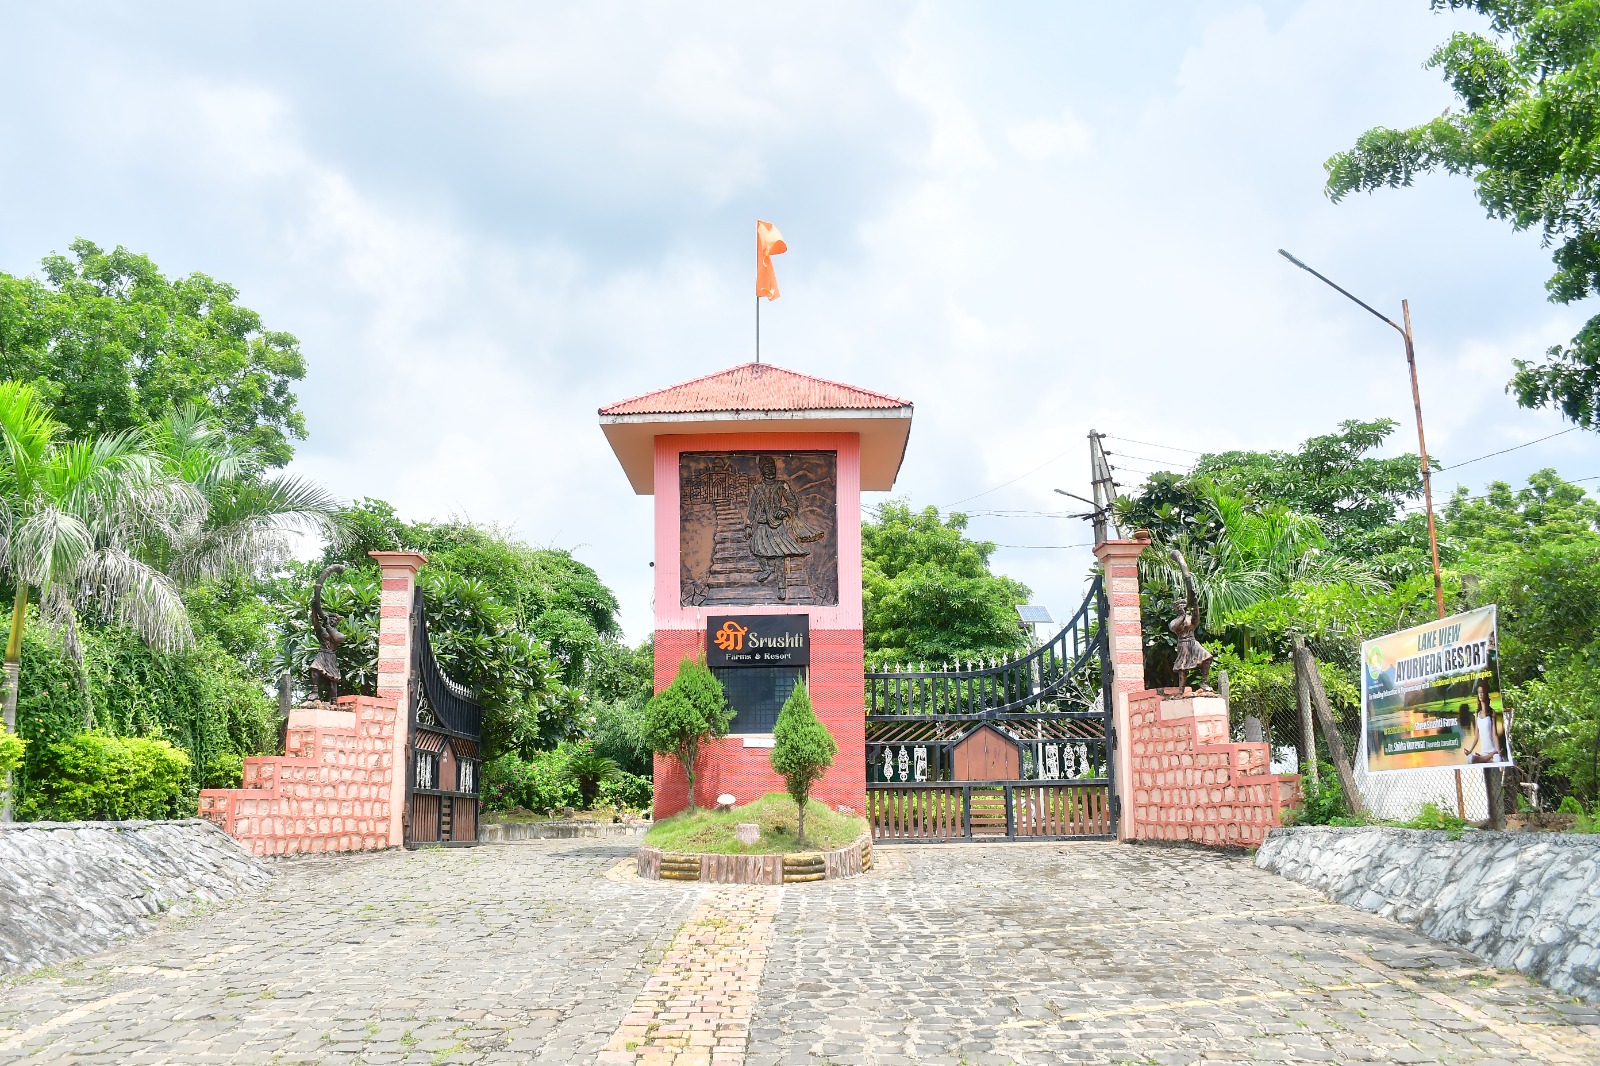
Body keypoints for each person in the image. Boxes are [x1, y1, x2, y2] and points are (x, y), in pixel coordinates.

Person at [744, 455, 821, 600]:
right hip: (762, 523)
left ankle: (781, 587)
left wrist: (785, 510)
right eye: (767, 468)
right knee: (755, 547)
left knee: (779, 555)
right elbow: (753, 508)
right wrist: (748, 525)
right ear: (762, 470)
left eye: (772, 468)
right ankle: (766, 569)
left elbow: (793, 503)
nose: (771, 471)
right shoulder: (758, 488)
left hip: (777, 525)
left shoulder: (782, 485)